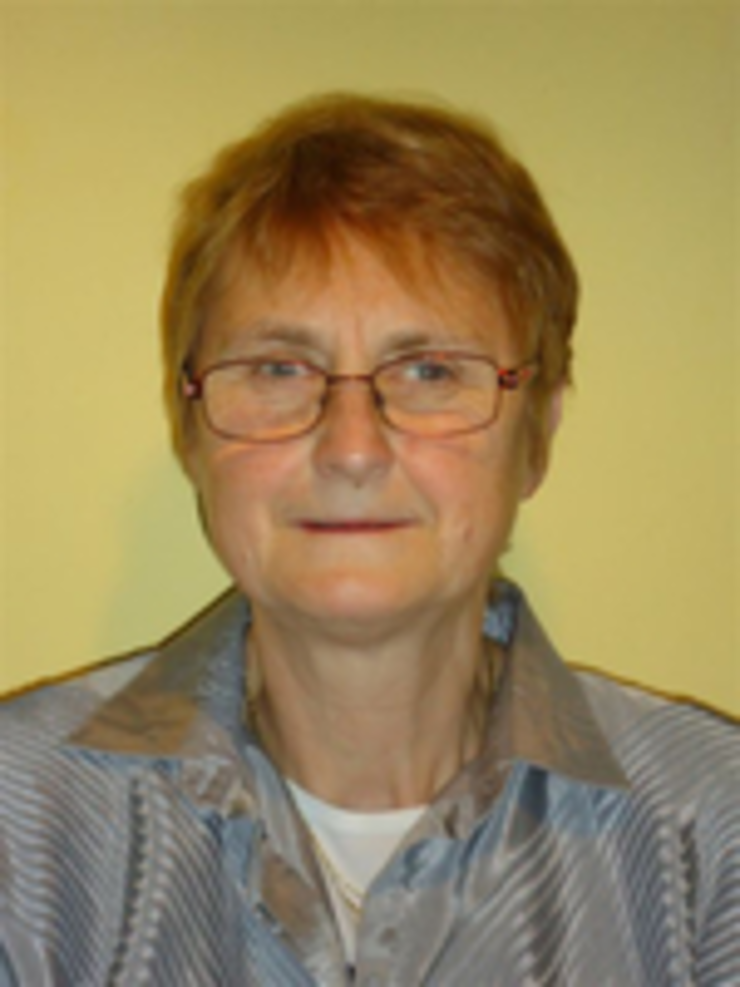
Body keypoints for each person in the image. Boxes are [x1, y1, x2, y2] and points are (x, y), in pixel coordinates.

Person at [1, 93, 738, 987]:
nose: (351, 447)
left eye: (429, 370)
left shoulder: (710, 836)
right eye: (278, 368)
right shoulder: (22, 830)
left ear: (537, 436)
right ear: (189, 430)